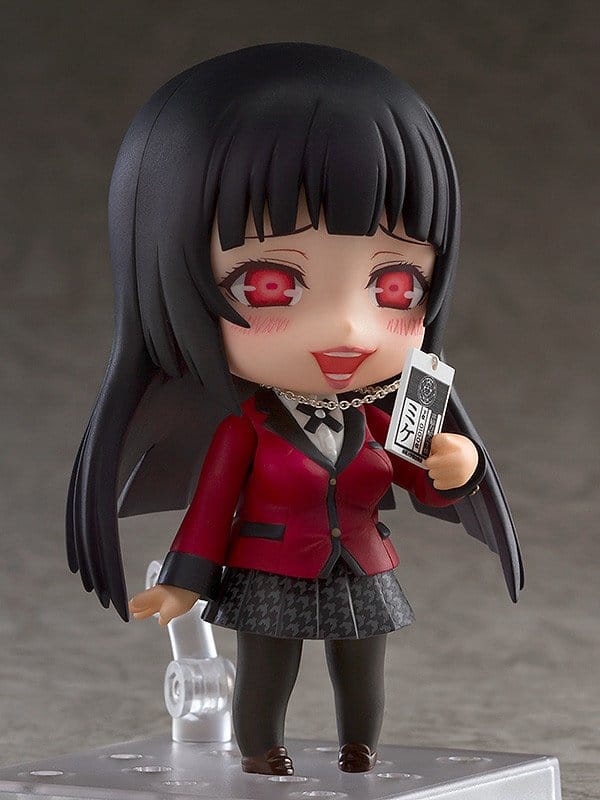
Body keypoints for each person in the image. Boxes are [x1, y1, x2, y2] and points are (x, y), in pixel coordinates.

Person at [67, 43, 522, 776]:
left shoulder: (380, 419)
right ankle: (262, 752)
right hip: (268, 568)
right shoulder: (246, 431)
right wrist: (185, 580)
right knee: (267, 671)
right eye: (271, 285)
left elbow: (418, 477)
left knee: (362, 670)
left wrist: (457, 466)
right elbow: (212, 509)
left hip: (361, 565)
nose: (348, 329)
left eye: (396, 286)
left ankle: (359, 750)